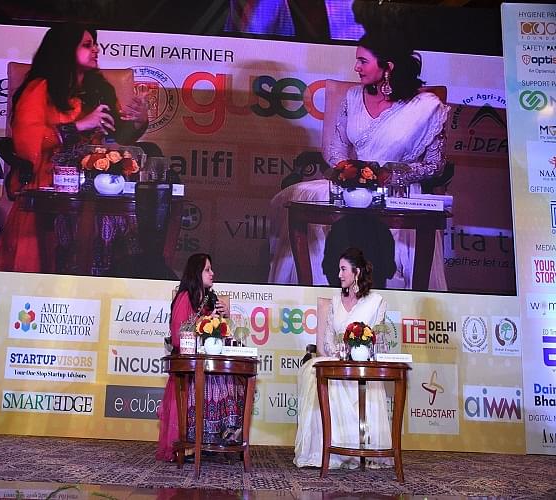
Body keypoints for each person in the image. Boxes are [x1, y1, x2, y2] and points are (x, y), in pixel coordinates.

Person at [268, 31, 450, 290]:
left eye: (363, 61)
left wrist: (388, 175)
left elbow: (434, 165)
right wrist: (348, 170)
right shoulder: (353, 97)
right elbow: (336, 148)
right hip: (353, 185)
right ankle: (316, 291)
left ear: (388, 67)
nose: (356, 67)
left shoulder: (426, 106)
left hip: (397, 190)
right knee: (306, 196)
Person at [0, 25, 148, 274]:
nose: (96, 49)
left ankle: (102, 281)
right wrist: (78, 126)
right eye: (87, 45)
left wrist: (140, 121)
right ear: (65, 50)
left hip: (93, 181)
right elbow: (26, 144)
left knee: (117, 205)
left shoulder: (101, 89)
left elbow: (119, 137)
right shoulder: (40, 88)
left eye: (95, 43)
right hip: (48, 177)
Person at [294, 247, 391, 469]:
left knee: (350, 375)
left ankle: (355, 447)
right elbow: (327, 340)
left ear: (357, 272)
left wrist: (360, 351)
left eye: (343, 269)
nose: (339, 274)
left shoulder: (376, 302)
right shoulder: (334, 302)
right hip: (338, 360)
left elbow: (381, 342)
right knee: (315, 371)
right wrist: (338, 352)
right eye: (339, 269)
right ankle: (327, 449)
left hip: (363, 365)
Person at [156, 253, 245, 462]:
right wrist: (205, 322)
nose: (212, 273)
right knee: (214, 381)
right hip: (190, 366)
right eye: (207, 269)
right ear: (197, 273)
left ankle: (217, 438)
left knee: (234, 380)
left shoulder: (210, 299)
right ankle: (192, 444)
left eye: (211, 269)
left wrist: (224, 317)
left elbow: (224, 337)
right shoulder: (184, 297)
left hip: (210, 364)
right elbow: (178, 337)